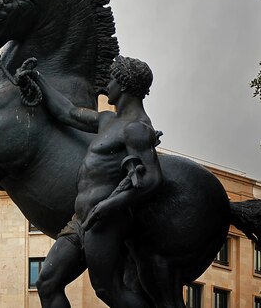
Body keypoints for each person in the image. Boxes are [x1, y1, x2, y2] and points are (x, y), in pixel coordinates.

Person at [18, 55, 162, 308]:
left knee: (107, 289)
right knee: (47, 283)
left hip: (106, 222)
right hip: (81, 219)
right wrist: (36, 78)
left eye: (112, 79)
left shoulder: (137, 128)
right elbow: (68, 112)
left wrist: (109, 206)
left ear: (125, 85)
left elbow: (151, 179)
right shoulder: (108, 120)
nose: (107, 85)